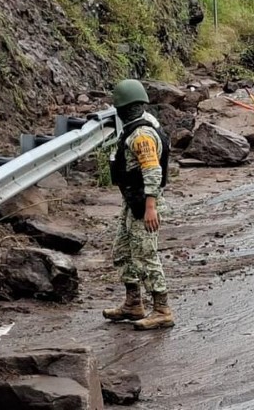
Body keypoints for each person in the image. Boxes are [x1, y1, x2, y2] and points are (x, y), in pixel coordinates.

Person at [103, 79, 175, 329]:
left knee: (145, 256)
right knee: (122, 252)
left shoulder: (141, 135)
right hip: (133, 201)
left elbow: (152, 171)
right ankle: (133, 303)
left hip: (144, 203)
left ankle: (162, 309)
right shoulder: (134, 130)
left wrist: (150, 207)